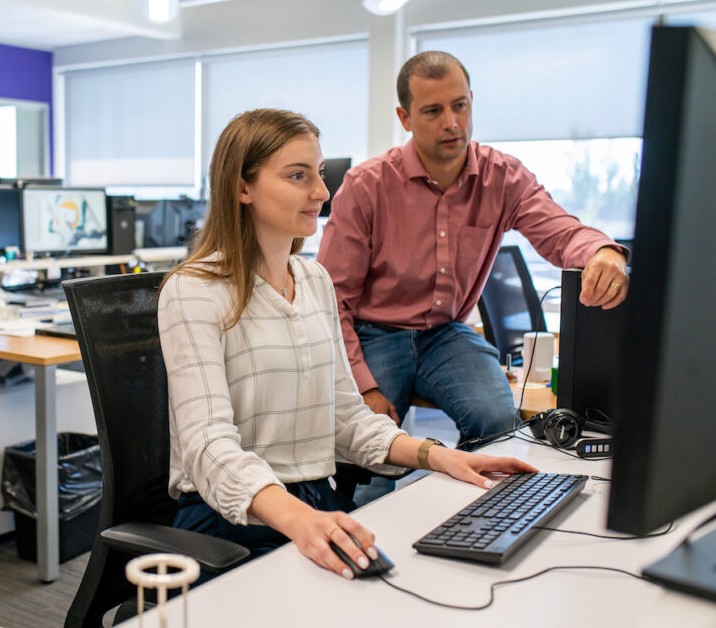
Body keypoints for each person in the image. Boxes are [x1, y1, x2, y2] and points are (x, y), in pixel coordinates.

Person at [158, 108, 537, 580]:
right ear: (242, 188)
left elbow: (346, 419)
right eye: (298, 176)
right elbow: (208, 448)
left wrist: (442, 457)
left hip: (319, 502)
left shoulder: (314, 279)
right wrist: (298, 519)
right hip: (230, 522)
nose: (321, 191)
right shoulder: (194, 290)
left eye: (318, 174)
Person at [317, 51, 630, 460]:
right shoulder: (367, 185)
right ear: (405, 118)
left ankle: (479, 515)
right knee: (370, 449)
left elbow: (561, 232)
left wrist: (602, 251)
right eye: (432, 111)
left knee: (500, 426)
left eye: (460, 106)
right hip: (374, 332)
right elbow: (330, 299)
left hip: (445, 332)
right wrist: (364, 386)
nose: (451, 123)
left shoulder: (502, 176)